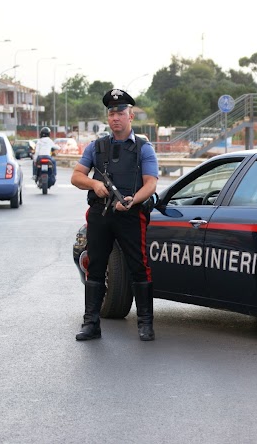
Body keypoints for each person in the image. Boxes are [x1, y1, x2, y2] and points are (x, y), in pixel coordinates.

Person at [71, 89, 159, 342]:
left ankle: (145, 323)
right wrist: (94, 185)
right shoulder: (96, 147)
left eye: (120, 112)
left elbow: (151, 183)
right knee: (96, 265)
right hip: (101, 213)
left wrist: (134, 200)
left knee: (139, 266)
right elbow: (76, 176)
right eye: (111, 113)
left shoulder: (143, 148)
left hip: (130, 213)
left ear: (131, 115)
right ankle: (91, 324)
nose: (115, 117)